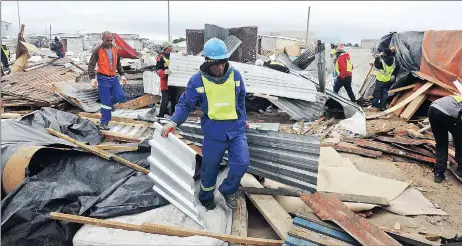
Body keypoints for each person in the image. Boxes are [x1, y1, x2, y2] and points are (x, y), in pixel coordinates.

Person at [160, 38, 249, 210]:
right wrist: (173, 122)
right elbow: (185, 104)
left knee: (242, 163)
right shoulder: (197, 80)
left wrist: (243, 119)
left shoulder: (235, 75)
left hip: (235, 131)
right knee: (210, 169)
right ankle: (206, 196)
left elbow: (241, 99)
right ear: (207, 62)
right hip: (214, 133)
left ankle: (227, 190)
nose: (220, 67)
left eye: (223, 62)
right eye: (216, 64)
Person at [88, 31, 127, 130]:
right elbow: (91, 65)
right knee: (106, 103)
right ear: (103, 39)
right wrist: (92, 78)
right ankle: (103, 123)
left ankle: (111, 104)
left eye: (111, 40)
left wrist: (122, 75)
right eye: (107, 40)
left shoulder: (114, 49)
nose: (109, 42)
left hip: (113, 78)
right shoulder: (97, 50)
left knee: (120, 96)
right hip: (103, 79)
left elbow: (118, 64)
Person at [428, 95, 462, 183]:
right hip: (447, 112)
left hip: (433, 108)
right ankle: (460, 169)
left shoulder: (457, 98)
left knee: (441, 143)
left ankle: (438, 174)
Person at [156, 41, 178, 118]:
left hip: (173, 83)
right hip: (165, 83)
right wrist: (165, 72)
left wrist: (184, 55)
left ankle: (173, 116)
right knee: (165, 101)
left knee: (174, 101)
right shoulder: (161, 58)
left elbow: (181, 58)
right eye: (170, 46)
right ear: (167, 48)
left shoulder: (174, 56)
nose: (172, 48)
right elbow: (158, 71)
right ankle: (160, 116)